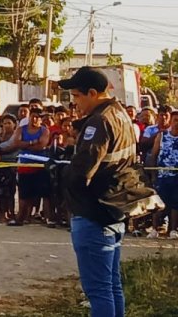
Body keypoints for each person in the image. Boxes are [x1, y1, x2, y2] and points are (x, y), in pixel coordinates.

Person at [62, 67, 161, 317]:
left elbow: (82, 172)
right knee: (111, 285)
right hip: (113, 209)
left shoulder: (99, 121)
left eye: (76, 96)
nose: (73, 103)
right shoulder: (120, 114)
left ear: (92, 93)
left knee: (98, 290)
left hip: (94, 211)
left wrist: (59, 172)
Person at [10, 108, 52, 227]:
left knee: (45, 194)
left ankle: (48, 218)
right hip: (25, 165)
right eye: (33, 116)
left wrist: (26, 145)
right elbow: (16, 143)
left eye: (38, 117)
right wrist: (33, 142)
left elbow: (42, 145)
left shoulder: (44, 130)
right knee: (24, 194)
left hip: (41, 166)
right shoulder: (21, 129)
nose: (35, 119)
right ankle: (20, 218)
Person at [150, 110, 178, 238]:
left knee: (175, 203)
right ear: (171, 121)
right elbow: (154, 155)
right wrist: (153, 174)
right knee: (158, 203)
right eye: (175, 120)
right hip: (162, 175)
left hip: (176, 176)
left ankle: (172, 230)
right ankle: (154, 229)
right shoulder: (162, 136)